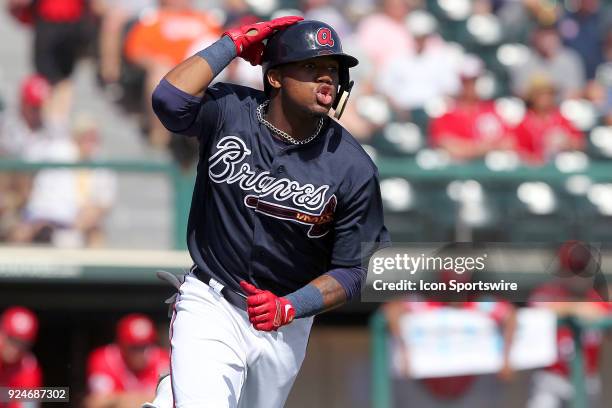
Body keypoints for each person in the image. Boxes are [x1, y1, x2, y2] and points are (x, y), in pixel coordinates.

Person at [149, 16, 389, 407]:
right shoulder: (231, 110)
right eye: (311, 67)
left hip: (286, 322)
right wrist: (232, 43)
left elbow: (356, 269)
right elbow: (170, 101)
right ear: (275, 77)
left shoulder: (353, 166)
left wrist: (292, 305)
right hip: (213, 300)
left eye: (331, 69)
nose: (325, 78)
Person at [527, 241, 611, 408]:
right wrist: (576, 308)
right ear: (561, 270)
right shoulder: (546, 292)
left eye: (582, 270)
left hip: (586, 378)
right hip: (551, 377)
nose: (577, 276)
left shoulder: (598, 297)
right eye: (572, 270)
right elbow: (537, 309)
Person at [429, 55, 513, 161]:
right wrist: (485, 147)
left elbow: (508, 143)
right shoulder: (446, 115)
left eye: (474, 81)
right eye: (466, 82)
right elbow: (451, 148)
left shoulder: (492, 110)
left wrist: (469, 148)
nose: (470, 86)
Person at [84, 314, 169, 408]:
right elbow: (95, 403)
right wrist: (148, 398)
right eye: (134, 347)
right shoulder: (104, 359)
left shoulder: (163, 360)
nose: (140, 352)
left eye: (145, 346)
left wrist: (119, 400)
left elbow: (171, 401)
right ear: (121, 345)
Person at [513, 74, 584, 165]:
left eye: (549, 94)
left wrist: (567, 142)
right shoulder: (525, 121)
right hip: (534, 171)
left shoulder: (560, 118)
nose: (546, 98)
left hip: (559, 167)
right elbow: (517, 149)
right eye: (541, 94)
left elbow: (579, 142)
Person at [509, 22, 586, 100]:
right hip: (531, 108)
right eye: (543, 37)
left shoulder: (570, 59)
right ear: (535, 38)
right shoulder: (524, 60)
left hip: (561, 108)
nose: (547, 42)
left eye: (551, 36)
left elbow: (576, 91)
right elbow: (519, 92)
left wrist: (550, 91)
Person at [0, 306, 43, 408]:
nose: (15, 348)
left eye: (22, 344)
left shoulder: (29, 368)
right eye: (11, 339)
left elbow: (28, 405)